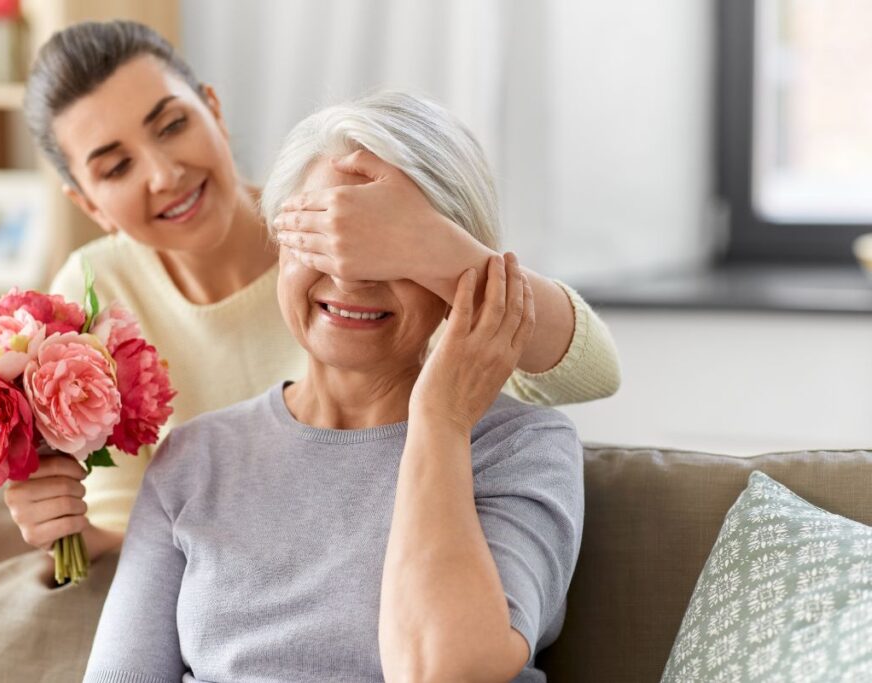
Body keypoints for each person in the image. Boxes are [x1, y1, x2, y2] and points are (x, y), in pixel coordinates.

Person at [5, 20, 617, 565]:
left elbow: (590, 375)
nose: (164, 174)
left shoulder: (354, 231)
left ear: (212, 109)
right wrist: (66, 529)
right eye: (115, 168)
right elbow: (136, 537)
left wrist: (434, 244)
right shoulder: (94, 295)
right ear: (88, 203)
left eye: (172, 125)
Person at [83, 91, 583, 683]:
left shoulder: (521, 448)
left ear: (452, 271)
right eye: (323, 234)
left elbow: (446, 672)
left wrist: (441, 420)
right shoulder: (194, 457)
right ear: (277, 239)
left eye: (390, 248)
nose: (348, 274)